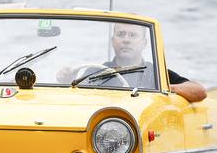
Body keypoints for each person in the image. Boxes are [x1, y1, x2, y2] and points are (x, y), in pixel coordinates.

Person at [57, 23, 207, 102]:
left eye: (133, 35)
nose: (126, 40)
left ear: (144, 43)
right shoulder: (94, 72)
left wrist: (165, 87)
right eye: (121, 34)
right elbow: (77, 99)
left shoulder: (156, 73)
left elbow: (199, 91)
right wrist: (66, 80)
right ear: (112, 41)